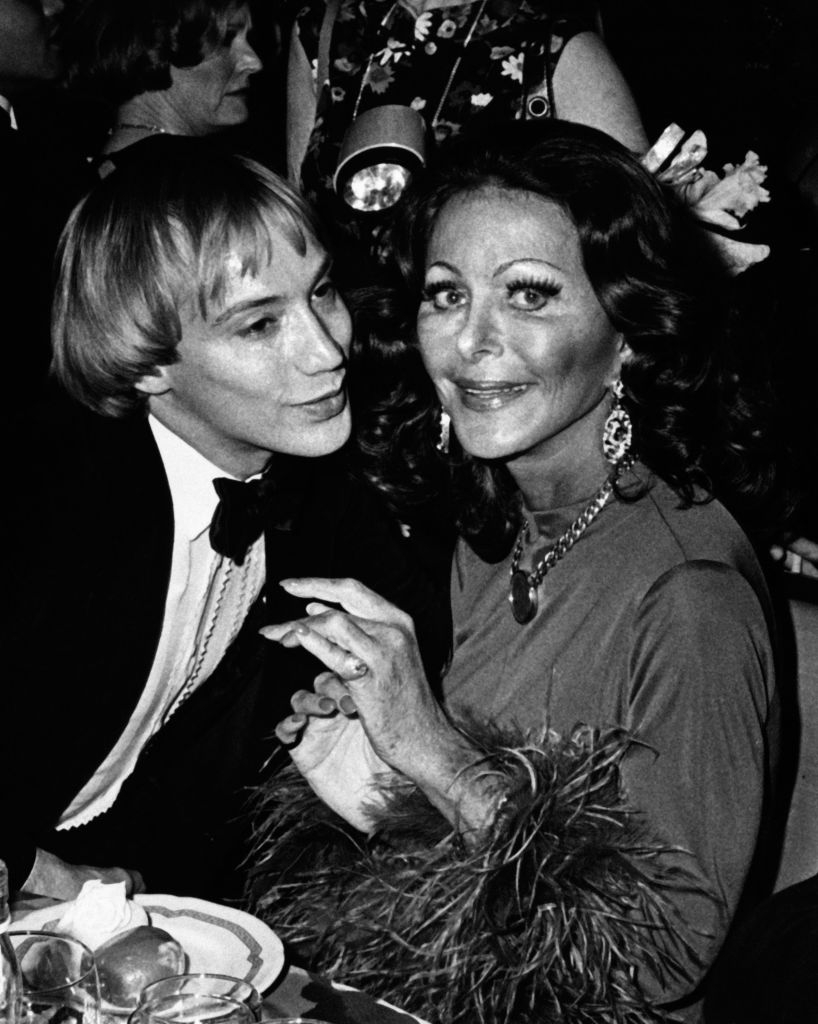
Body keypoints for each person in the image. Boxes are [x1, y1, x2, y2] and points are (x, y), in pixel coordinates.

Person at [248, 122, 781, 1021]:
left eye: (528, 296)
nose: (471, 343)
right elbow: (487, 870)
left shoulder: (690, 595)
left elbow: (659, 956)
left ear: (630, 336)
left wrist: (433, 749)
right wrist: (382, 789)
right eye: (446, 296)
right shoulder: (500, 523)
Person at [1, 137, 448, 903]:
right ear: (145, 364)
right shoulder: (39, 504)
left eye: (323, 293)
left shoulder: (322, 491)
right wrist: (51, 878)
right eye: (259, 326)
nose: (326, 350)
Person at [283, 0, 647, 268]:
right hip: (342, 356)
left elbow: (636, 252)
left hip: (486, 352)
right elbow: (297, 234)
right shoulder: (324, 30)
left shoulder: (556, 44)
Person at [58, 0, 263, 177]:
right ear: (154, 47)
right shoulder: (186, 182)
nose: (253, 62)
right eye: (226, 39)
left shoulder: (106, 173)